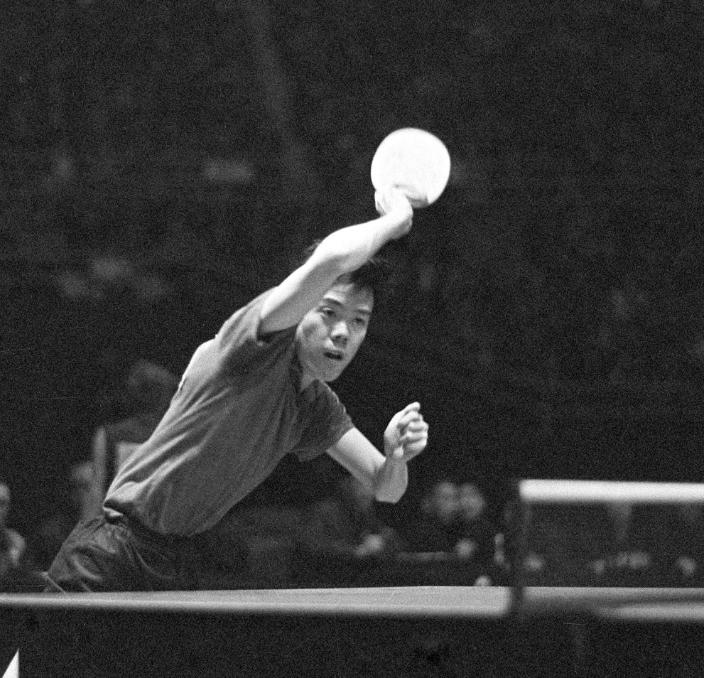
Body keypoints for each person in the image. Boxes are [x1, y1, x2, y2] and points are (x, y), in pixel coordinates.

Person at [47, 186, 429, 591]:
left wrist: (396, 456)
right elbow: (332, 259)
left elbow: (386, 488)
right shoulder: (253, 346)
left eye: (358, 321)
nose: (342, 332)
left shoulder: (315, 407)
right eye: (329, 312)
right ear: (302, 307)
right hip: (113, 552)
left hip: (175, 563)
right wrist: (394, 221)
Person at [84, 361, 179, 520]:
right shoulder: (174, 436)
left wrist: (87, 530)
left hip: (116, 525)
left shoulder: (109, 435)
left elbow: (97, 491)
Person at [30, 460, 95, 569]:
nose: (83, 494)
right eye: (79, 487)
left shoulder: (114, 532)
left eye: (87, 487)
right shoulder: (50, 535)